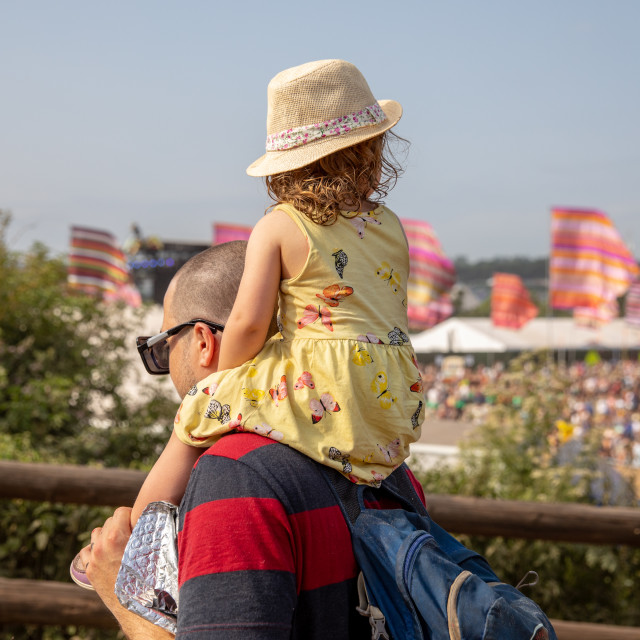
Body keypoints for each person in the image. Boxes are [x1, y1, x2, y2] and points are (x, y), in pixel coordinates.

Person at [78, 240, 428, 639]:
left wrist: (125, 593)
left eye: (164, 346)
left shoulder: (235, 475)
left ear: (203, 341)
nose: (164, 364)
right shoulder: (387, 467)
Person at [130, 58, 425, 530]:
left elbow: (247, 324)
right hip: (392, 393)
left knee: (192, 421)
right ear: (371, 150)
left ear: (286, 166)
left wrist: (219, 383)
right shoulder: (390, 225)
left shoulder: (280, 225)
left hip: (328, 385)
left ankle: (135, 540)